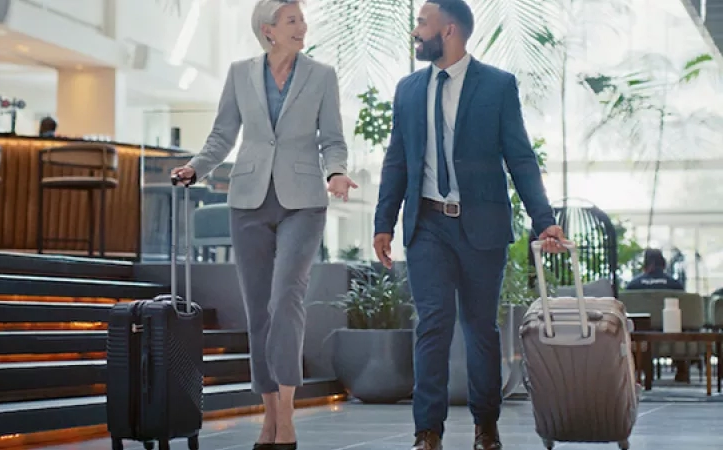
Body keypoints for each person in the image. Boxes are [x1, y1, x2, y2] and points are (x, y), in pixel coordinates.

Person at [372, 1, 566, 449]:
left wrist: (544, 220)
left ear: (449, 30)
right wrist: (384, 222)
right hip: (427, 225)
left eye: (423, 23)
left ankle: (486, 425)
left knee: (480, 328)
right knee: (433, 323)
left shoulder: (497, 86)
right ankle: (427, 431)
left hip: (482, 225)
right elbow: (397, 160)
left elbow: (520, 157)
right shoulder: (408, 90)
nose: (416, 31)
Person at [171, 1, 357, 449]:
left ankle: (287, 417)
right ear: (269, 29)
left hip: (303, 203)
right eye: (293, 20)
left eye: (302, 19)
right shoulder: (240, 73)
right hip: (249, 201)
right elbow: (223, 135)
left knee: (285, 299)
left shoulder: (321, 75)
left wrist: (336, 172)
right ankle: (269, 415)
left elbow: (332, 139)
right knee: (258, 311)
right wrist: (196, 167)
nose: (302, 26)